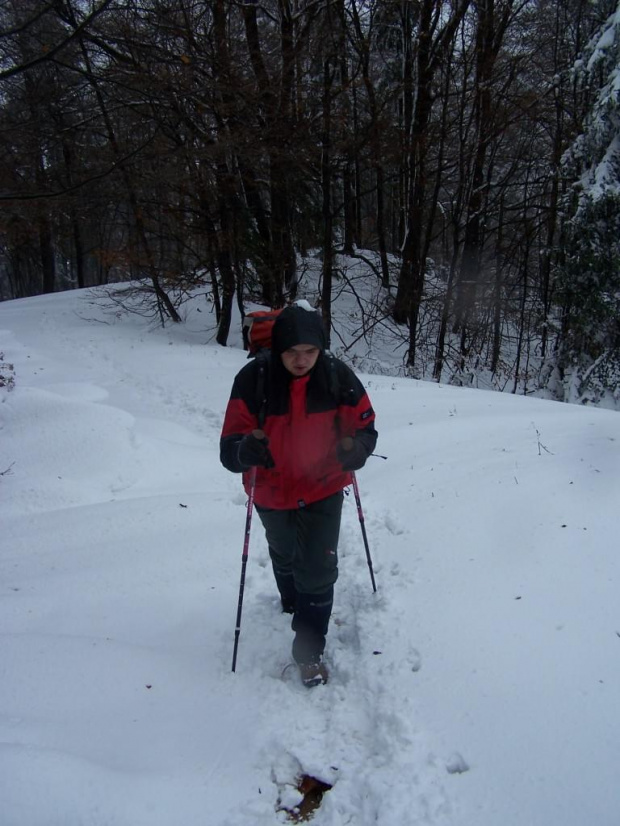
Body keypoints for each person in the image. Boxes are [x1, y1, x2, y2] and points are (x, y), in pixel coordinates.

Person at [220, 304, 378, 687]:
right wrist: (245, 451)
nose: (302, 360)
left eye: (310, 352)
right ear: (278, 350)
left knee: (318, 567)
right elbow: (228, 448)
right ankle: (290, 597)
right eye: (292, 352)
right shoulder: (254, 379)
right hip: (271, 491)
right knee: (285, 552)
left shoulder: (338, 376)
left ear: (321, 349)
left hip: (323, 487)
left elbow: (366, 428)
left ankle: (308, 651)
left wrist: (355, 450)